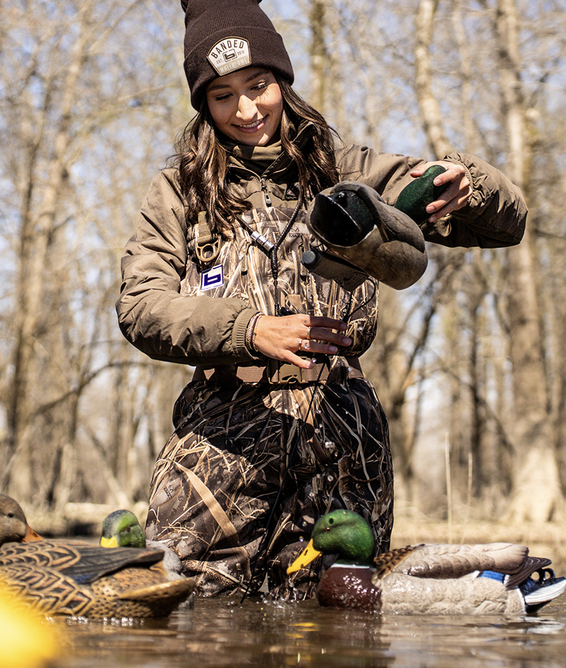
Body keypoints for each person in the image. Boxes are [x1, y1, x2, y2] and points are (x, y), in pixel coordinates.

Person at [116, 0, 527, 599]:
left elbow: (507, 224)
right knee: (192, 617)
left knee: (340, 619)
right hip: (220, 442)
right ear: (203, 103)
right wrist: (248, 329)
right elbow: (141, 306)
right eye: (223, 95)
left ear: (282, 80)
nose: (246, 109)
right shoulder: (180, 191)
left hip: (344, 436)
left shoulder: (348, 171)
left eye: (258, 85)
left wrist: (469, 184)